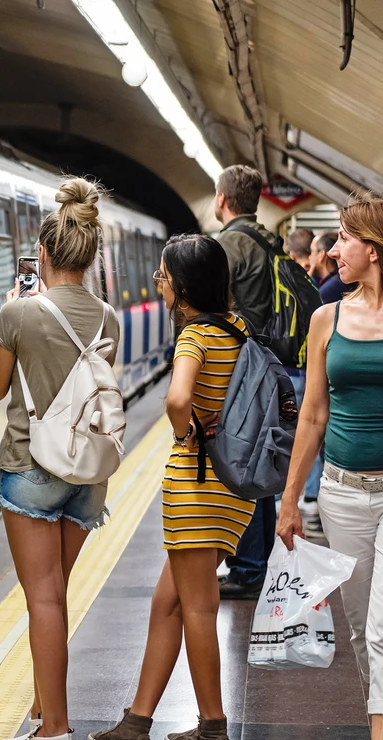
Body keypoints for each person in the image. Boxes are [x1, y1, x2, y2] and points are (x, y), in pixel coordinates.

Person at [91, 234, 252, 740]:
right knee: (169, 602)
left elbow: (178, 398)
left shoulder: (194, 337)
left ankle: (212, 727)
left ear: (180, 286)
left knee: (199, 607)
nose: (157, 283)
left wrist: (185, 430)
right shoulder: (236, 327)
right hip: (229, 485)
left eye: (161, 276)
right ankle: (138, 720)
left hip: (197, 483)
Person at [0, 178, 120, 740]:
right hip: (88, 473)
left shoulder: (20, 314)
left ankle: (55, 728)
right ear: (90, 258)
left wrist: (12, 315)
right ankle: (45, 703)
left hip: (32, 467)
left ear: (42, 254)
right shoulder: (108, 317)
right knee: (56, 592)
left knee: (42, 598)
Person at [277, 191, 383, 739]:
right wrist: (291, 500)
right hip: (343, 492)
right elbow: (313, 415)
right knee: (364, 628)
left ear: (374, 248)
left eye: (344, 238)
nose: (334, 249)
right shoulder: (326, 318)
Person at [212, 165, 281, 600]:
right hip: (269, 358)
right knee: (263, 464)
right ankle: (258, 563)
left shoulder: (229, 244)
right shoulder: (270, 239)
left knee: (247, 465)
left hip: (243, 364)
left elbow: (213, 302)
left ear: (222, 199)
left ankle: (250, 568)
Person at [312, 229, 357, 303]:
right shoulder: (341, 280)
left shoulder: (329, 289)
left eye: (312, 251)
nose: (310, 257)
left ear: (321, 255)